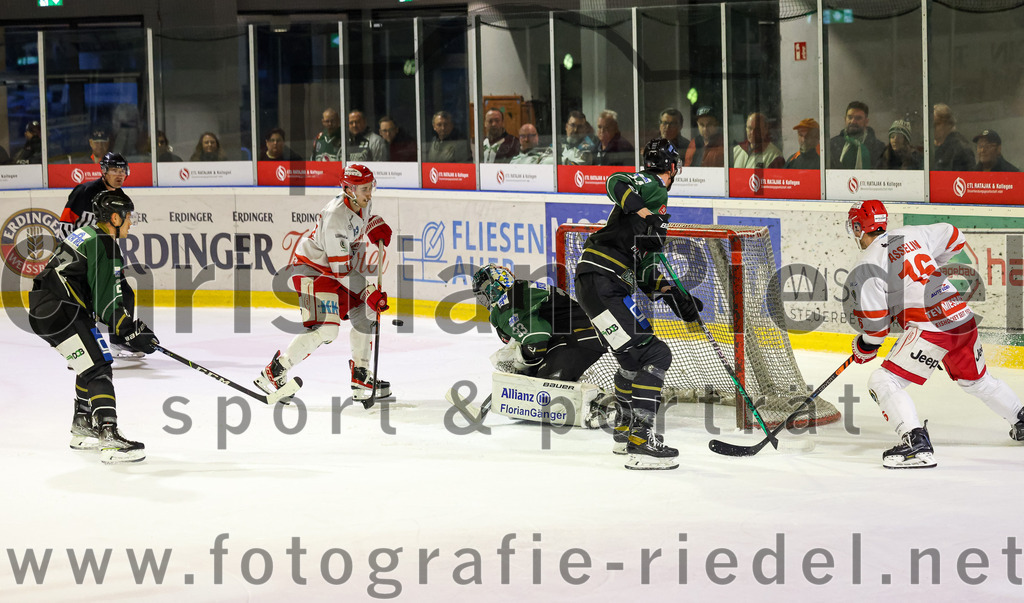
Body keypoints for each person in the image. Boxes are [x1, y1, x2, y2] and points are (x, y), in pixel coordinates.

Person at [846, 199, 1024, 469]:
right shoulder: (912, 233)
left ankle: (915, 445)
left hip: (931, 327)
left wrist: (864, 347)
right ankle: (1020, 418)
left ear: (859, 228)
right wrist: (933, 267)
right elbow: (955, 236)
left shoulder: (867, 264)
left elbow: (876, 331)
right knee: (976, 382)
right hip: (961, 317)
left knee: (883, 380)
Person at [574, 138, 703, 471]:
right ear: (672, 167)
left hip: (599, 285)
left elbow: (645, 272)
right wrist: (647, 214)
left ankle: (624, 432)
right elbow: (614, 181)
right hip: (605, 282)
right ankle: (641, 443)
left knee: (631, 359)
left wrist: (677, 298)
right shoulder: (654, 185)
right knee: (656, 353)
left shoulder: (653, 215)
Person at [28, 190, 158, 464]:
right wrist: (129, 330)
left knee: (89, 361)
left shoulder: (85, 232)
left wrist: (127, 329)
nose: (131, 222)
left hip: (45, 308)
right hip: (63, 309)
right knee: (99, 368)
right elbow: (107, 299)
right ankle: (108, 436)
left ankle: (82, 423)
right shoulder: (105, 243)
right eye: (128, 217)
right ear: (115, 217)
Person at [254, 164, 394, 403]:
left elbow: (364, 220)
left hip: (333, 272)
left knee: (365, 310)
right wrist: (369, 290)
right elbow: (340, 269)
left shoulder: (361, 201)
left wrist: (375, 225)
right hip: (312, 271)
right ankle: (274, 372)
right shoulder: (334, 216)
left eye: (371, 187)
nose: (369, 194)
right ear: (348, 189)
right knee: (327, 329)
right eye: (364, 189)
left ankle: (360, 375)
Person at [58, 152, 139, 359]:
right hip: (81, 257)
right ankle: (83, 350)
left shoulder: (122, 199)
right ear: (103, 170)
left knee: (125, 294)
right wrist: (70, 254)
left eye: (122, 170)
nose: (119, 175)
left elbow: (113, 235)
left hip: (100, 257)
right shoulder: (84, 191)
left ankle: (120, 340)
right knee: (84, 303)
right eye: (114, 170)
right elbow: (66, 223)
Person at [828, 101, 885, 169]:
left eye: (858, 118)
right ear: (845, 119)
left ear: (866, 122)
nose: (853, 121)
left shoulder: (878, 148)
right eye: (850, 117)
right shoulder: (832, 145)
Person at [931, 104, 974, 171]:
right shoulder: (940, 148)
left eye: (936, 124)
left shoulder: (959, 148)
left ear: (948, 124)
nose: (933, 128)